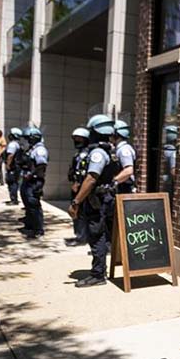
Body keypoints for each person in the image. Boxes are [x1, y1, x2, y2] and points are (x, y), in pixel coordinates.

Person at [69, 115, 117, 288]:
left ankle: (98, 274)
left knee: (96, 235)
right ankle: (99, 271)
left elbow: (91, 179)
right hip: (104, 198)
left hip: (97, 200)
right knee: (101, 235)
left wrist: (76, 202)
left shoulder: (97, 153)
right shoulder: (109, 150)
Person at [20, 127, 48, 239]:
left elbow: (41, 166)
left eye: (29, 138)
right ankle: (31, 227)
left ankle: (38, 229)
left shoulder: (40, 150)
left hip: (35, 181)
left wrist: (31, 175)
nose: (28, 140)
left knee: (34, 205)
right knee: (28, 204)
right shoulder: (33, 149)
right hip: (29, 180)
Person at [65, 126, 90, 247]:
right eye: (75, 139)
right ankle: (79, 235)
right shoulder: (79, 154)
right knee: (76, 213)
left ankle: (82, 237)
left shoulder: (86, 155)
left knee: (80, 213)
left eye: (79, 139)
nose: (76, 141)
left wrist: (78, 183)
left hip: (81, 188)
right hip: (76, 186)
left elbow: (84, 172)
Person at [112, 119, 137, 194]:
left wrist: (113, 182)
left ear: (116, 135)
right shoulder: (118, 149)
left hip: (125, 189)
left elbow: (128, 170)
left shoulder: (124, 150)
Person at [4, 127, 23, 205]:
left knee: (12, 183)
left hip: (13, 167)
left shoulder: (12, 145)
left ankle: (13, 199)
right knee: (14, 182)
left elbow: (10, 156)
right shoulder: (17, 144)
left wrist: (8, 165)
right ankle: (14, 198)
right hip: (16, 167)